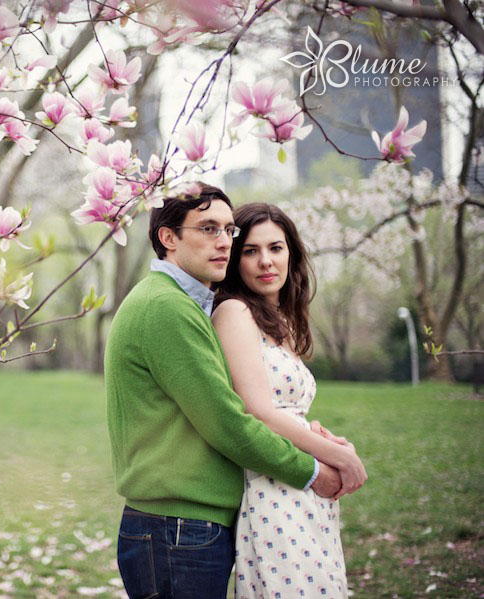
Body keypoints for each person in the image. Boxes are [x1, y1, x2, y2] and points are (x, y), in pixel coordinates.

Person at [104, 184, 343, 599]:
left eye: (228, 230)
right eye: (208, 228)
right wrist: (313, 471)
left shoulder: (183, 303)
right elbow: (228, 422)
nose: (223, 242)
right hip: (175, 526)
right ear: (169, 238)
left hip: (186, 525)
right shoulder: (165, 307)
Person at [212, 202, 367, 598]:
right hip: (273, 487)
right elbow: (258, 411)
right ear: (235, 260)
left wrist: (327, 442)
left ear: (291, 254)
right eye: (250, 251)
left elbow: (289, 411)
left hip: (304, 485)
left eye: (276, 248)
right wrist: (341, 459)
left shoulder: (281, 321)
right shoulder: (234, 311)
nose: (266, 261)